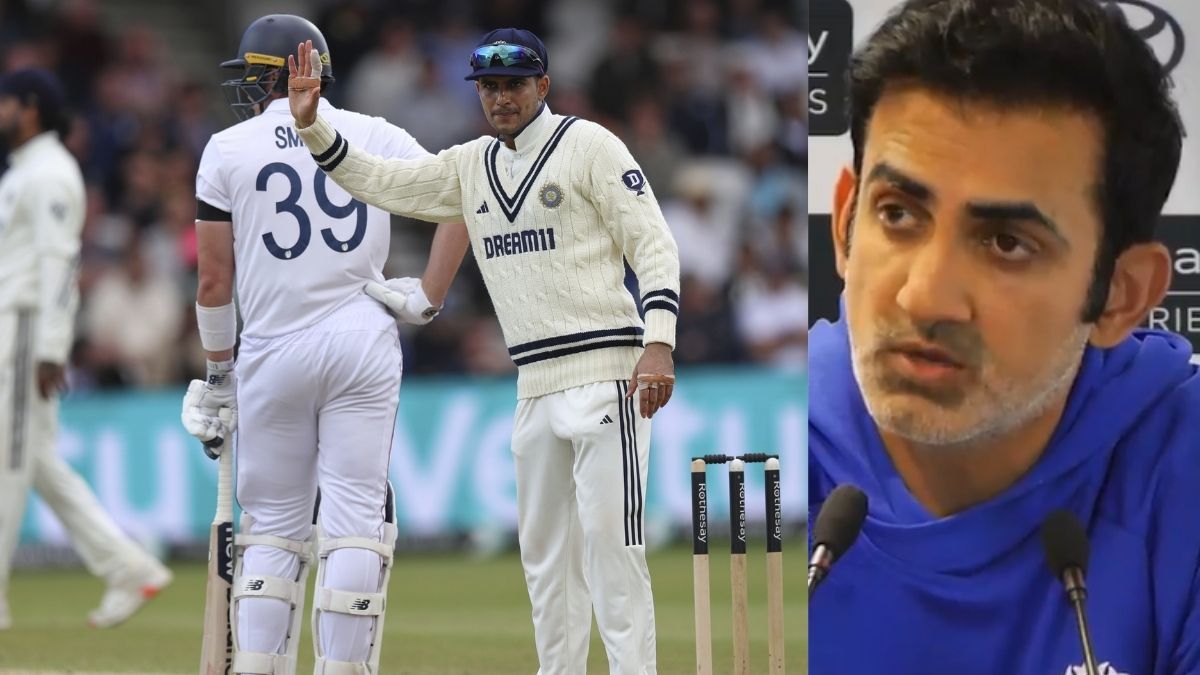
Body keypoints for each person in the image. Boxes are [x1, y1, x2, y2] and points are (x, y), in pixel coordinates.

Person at [807, 0, 1198, 673]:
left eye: (1007, 243)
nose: (924, 295)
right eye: (897, 213)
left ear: (1120, 294)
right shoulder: (765, 458)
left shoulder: (1180, 466)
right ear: (844, 221)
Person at [288, 28, 681, 674]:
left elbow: (655, 245)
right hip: (533, 384)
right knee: (546, 559)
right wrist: (314, 131)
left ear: (543, 86)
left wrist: (659, 341)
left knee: (614, 549)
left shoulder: (588, 146)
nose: (500, 98)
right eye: (490, 88)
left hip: (609, 375)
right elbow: (389, 184)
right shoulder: (471, 166)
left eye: (514, 85)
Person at [180, 14, 468, 674]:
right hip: (361, 337)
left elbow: (214, 280)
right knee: (356, 519)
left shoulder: (226, 148)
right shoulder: (375, 133)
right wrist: (428, 293)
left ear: (270, 73)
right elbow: (462, 199)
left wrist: (217, 375)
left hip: (272, 349)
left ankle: (257, 665)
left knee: (275, 524)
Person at [0, 67, 172, 630]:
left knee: (8, 464)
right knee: (35, 462)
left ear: (29, 108)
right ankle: (128, 566)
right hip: (16, 330)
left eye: (5, 103)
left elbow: (59, 265)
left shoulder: (49, 174)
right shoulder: (25, 173)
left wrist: (51, 346)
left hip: (26, 333)